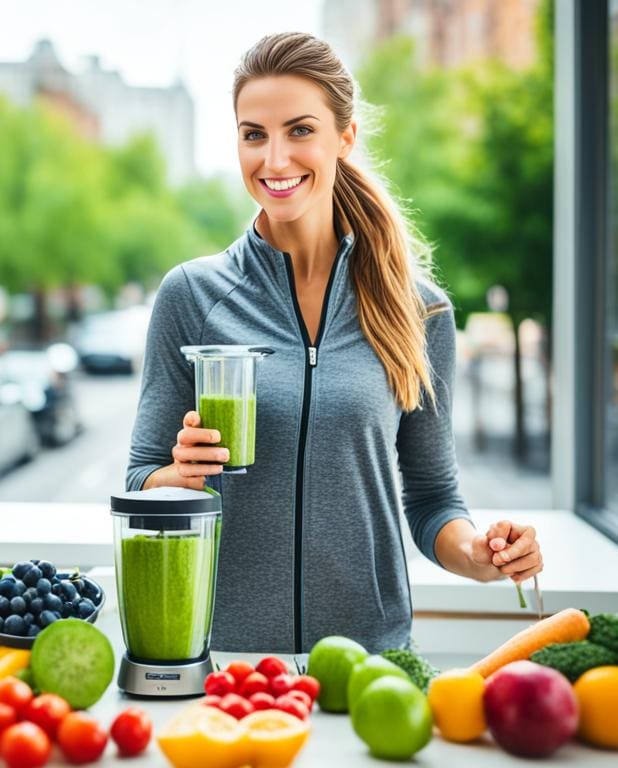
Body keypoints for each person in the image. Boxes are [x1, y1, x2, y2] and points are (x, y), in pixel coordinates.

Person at [125, 32, 543, 655]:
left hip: (371, 662)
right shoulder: (192, 295)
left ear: (344, 138)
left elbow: (431, 499)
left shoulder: (417, 309)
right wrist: (176, 478)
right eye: (253, 134)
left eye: (299, 131)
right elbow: (138, 483)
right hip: (224, 659)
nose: (273, 160)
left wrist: (481, 555)